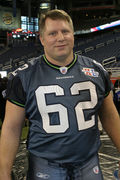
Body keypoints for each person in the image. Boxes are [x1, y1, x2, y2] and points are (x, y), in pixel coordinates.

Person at [0, 9, 120, 180]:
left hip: (88, 163)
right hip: (45, 166)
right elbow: (11, 128)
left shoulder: (96, 70)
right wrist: (3, 173)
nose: (60, 38)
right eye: (52, 33)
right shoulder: (23, 77)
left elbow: (109, 115)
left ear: (73, 34)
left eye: (65, 31)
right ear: (42, 39)